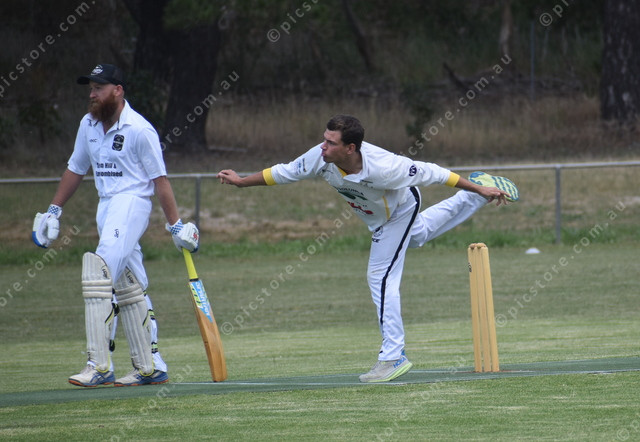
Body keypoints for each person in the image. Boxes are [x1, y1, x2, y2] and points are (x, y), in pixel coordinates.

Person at [218, 114, 519, 383]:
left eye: (331, 143)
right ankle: (473, 198)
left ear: (350, 148)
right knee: (418, 236)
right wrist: (241, 182)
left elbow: (436, 173)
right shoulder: (319, 157)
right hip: (378, 219)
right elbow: (283, 172)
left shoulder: (387, 168)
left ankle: (393, 356)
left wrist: (476, 186)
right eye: (324, 139)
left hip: (399, 211)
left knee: (380, 276)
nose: (323, 147)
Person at [32, 64, 199, 387]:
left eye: (99, 88)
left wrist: (176, 226)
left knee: (99, 274)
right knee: (129, 285)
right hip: (106, 205)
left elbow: (160, 180)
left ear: (118, 90)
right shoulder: (88, 124)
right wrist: (53, 211)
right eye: (90, 88)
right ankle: (150, 366)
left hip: (132, 202)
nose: (92, 94)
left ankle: (99, 364)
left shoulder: (139, 129)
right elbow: (76, 168)